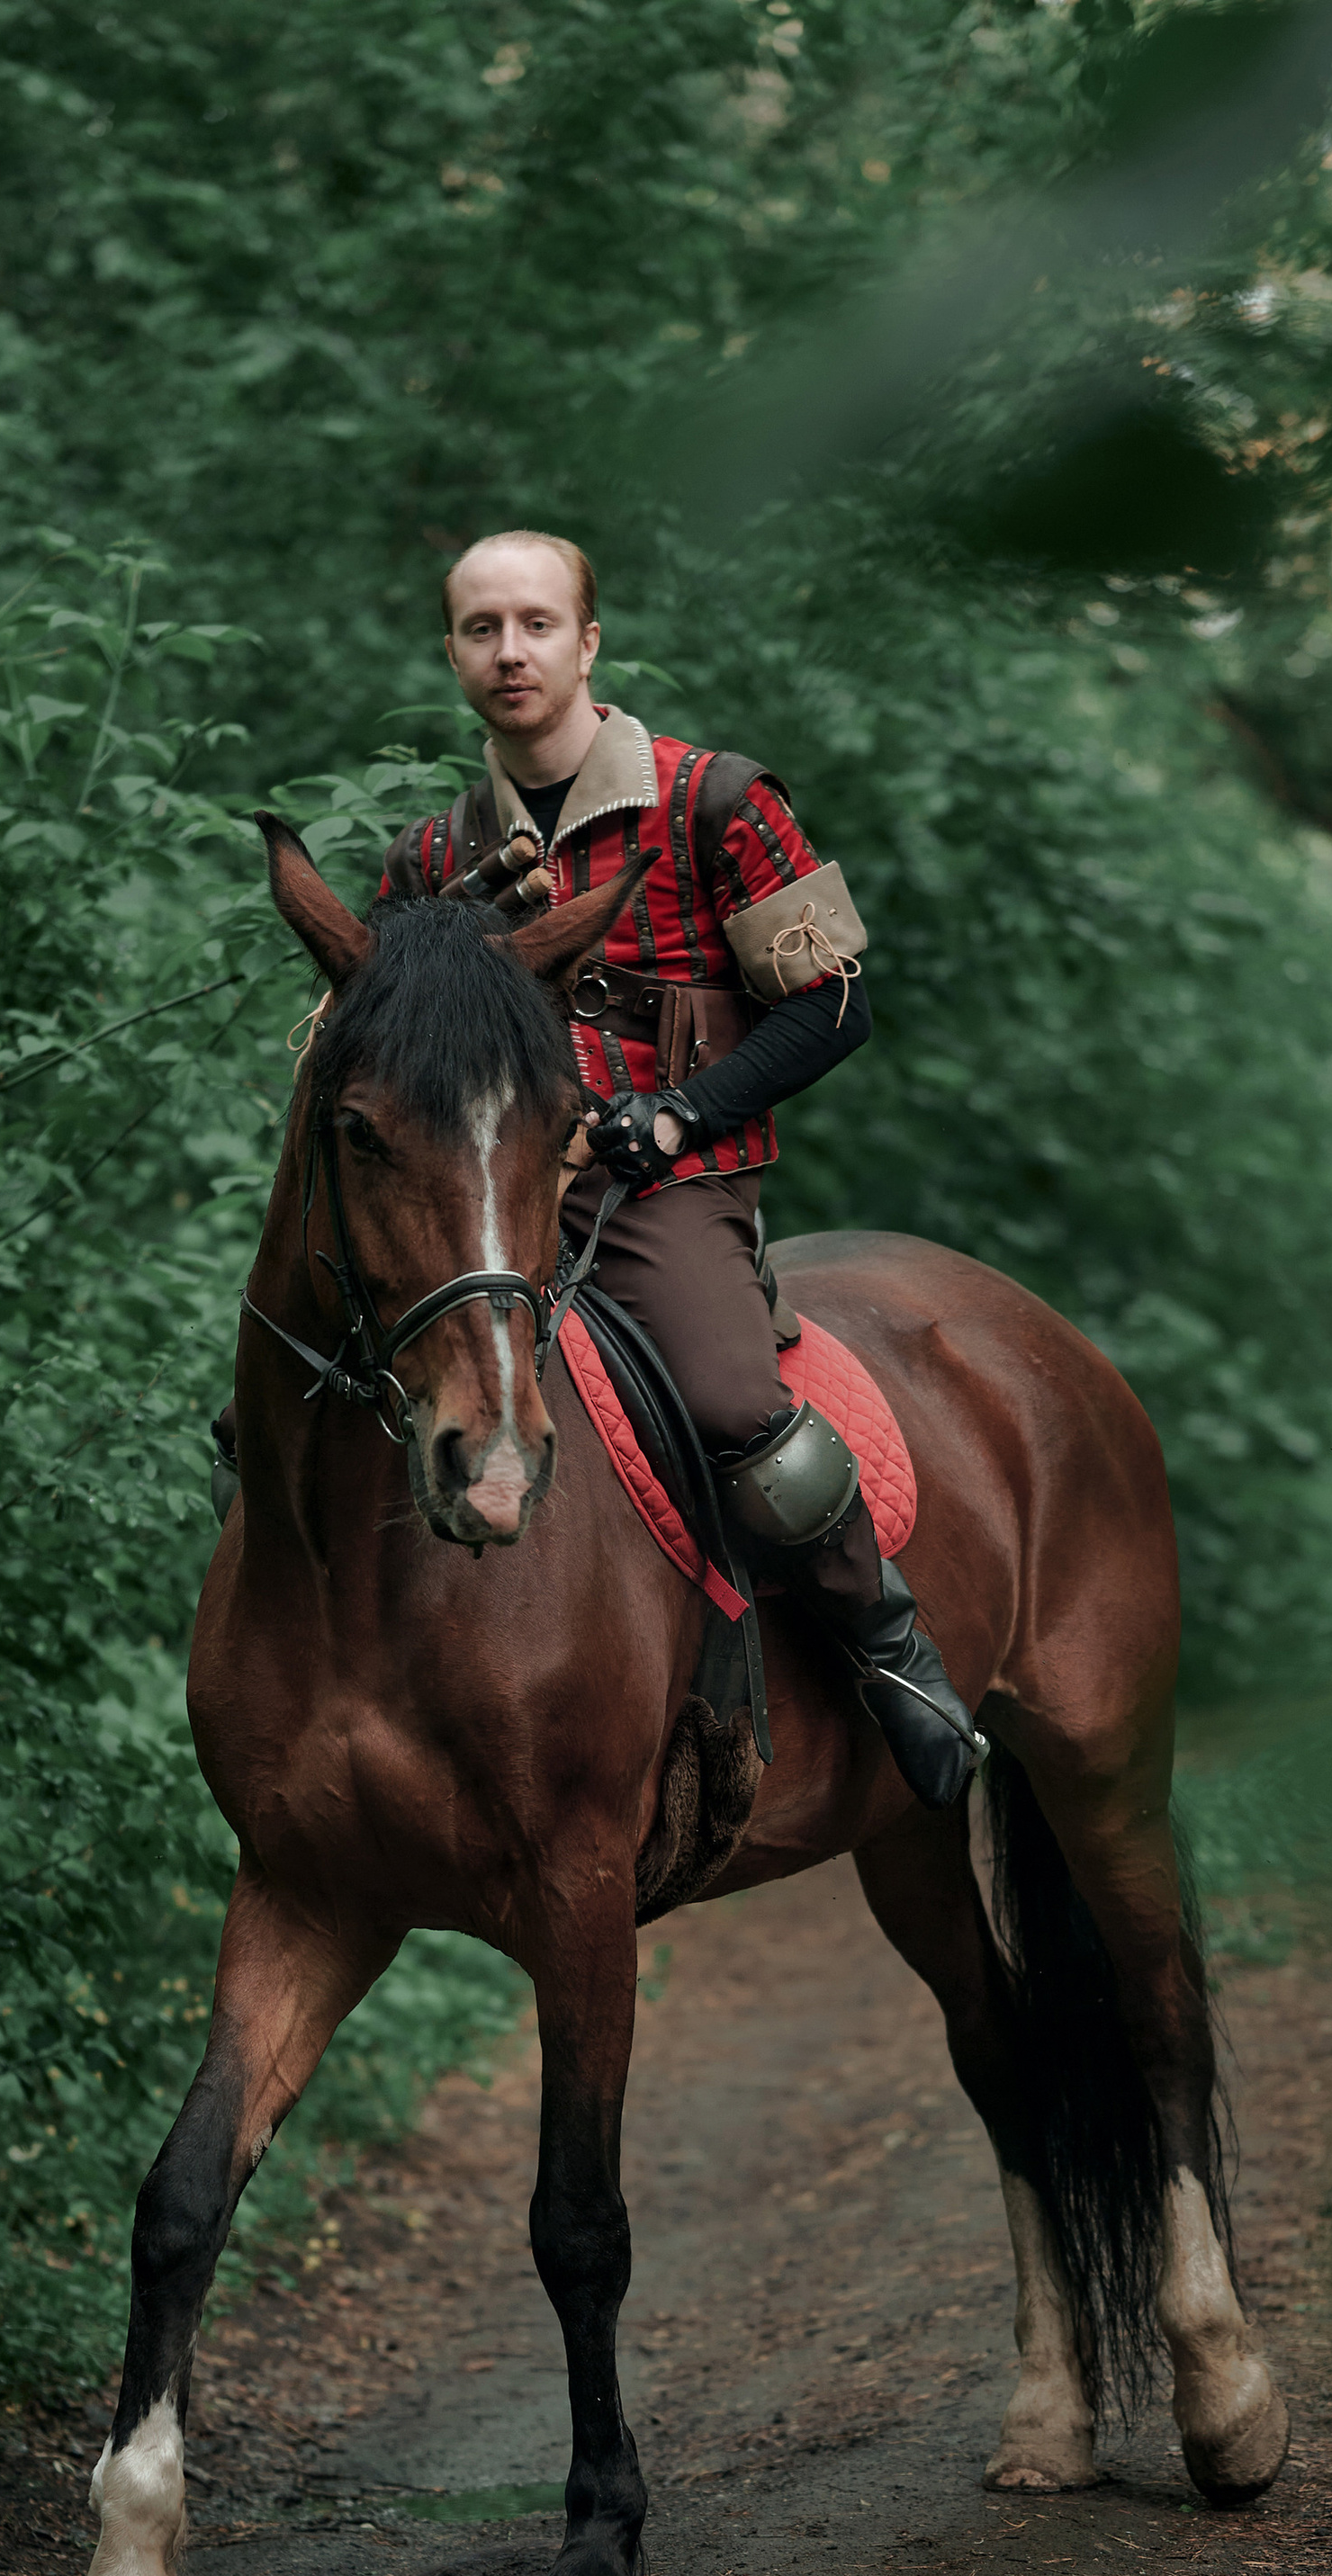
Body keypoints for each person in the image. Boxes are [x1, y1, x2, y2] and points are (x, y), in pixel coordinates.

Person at [385, 528, 983, 1809]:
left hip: (665, 1188)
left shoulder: (719, 802)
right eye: (483, 629)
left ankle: (891, 1649)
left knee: (729, 1402)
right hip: (484, 1196)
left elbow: (834, 1004)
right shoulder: (432, 860)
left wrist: (680, 1115)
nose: (510, 652)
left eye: (537, 624)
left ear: (587, 642)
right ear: (453, 653)